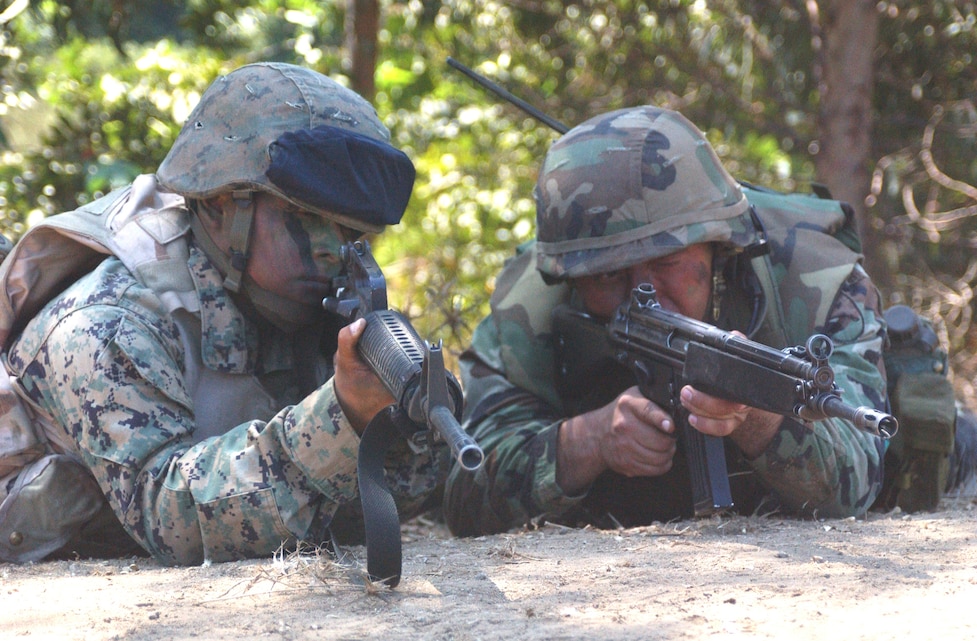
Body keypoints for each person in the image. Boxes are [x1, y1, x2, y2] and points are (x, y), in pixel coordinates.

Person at [0, 62, 447, 565]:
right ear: (218, 205)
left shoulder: (298, 305)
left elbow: (368, 507)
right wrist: (341, 415)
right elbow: (170, 516)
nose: (331, 250)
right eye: (304, 218)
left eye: (351, 232)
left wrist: (401, 420)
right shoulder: (106, 321)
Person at [443, 106, 890, 536]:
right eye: (608, 275)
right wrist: (588, 440)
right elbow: (464, 490)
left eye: (668, 263)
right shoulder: (531, 306)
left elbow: (859, 474)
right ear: (572, 279)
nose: (645, 294)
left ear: (718, 249)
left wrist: (757, 413)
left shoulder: (814, 277)